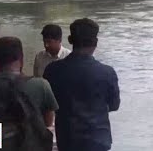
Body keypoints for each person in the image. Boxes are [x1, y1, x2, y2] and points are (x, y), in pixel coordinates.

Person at [43, 18, 121, 151]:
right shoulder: (107, 72)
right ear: (95, 42)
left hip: (67, 139)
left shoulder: (52, 70)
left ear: (69, 40)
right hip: (98, 140)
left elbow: (47, 105)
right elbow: (114, 105)